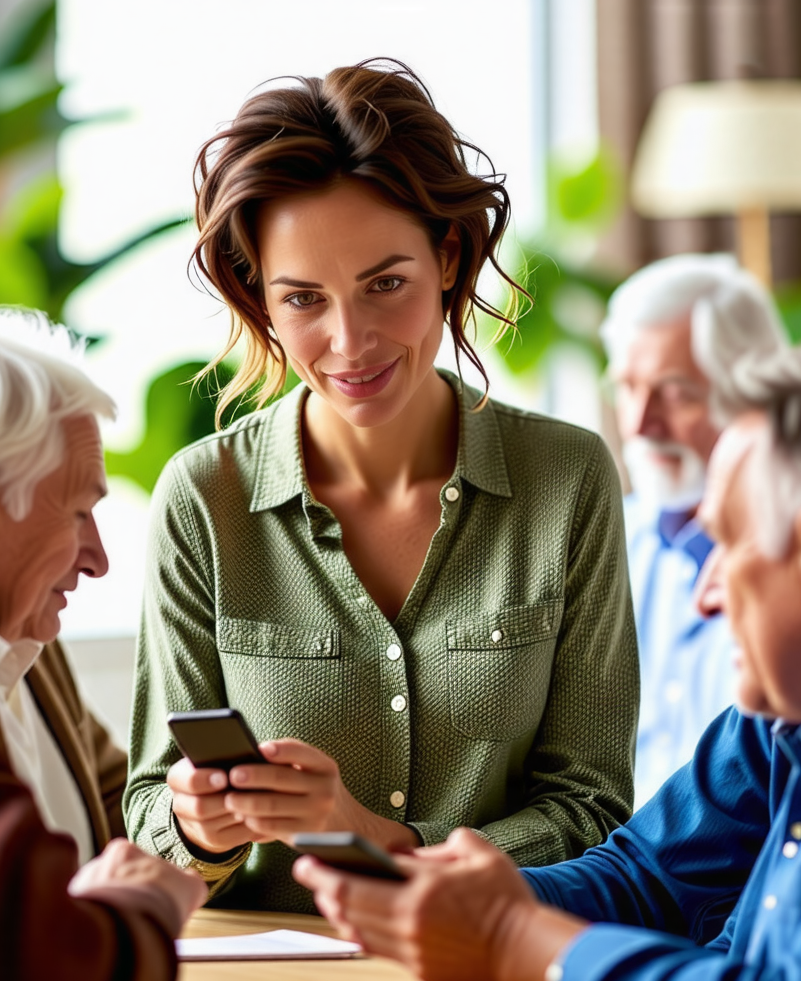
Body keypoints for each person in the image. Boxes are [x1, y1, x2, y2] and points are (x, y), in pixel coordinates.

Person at [296, 338, 801, 981]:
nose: (705, 594)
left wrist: (510, 935)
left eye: (726, 544)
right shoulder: (792, 702)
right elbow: (649, 877)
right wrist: (483, 896)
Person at [125, 59, 639, 913]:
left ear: (446, 257)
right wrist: (196, 828)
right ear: (261, 299)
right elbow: (149, 812)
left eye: (385, 285)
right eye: (303, 300)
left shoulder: (568, 480)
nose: (349, 341)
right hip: (256, 980)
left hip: (482, 969)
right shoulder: (202, 498)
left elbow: (592, 810)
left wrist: (378, 841)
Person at [0, 309, 206, 981]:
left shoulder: (21, 640)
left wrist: (194, 824)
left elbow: (119, 816)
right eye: (78, 512)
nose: (100, 559)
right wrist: (137, 911)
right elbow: (27, 964)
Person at [600, 253, 786, 805]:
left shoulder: (798, 563)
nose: (639, 425)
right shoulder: (606, 540)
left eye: (676, 394)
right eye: (628, 389)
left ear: (753, 396)